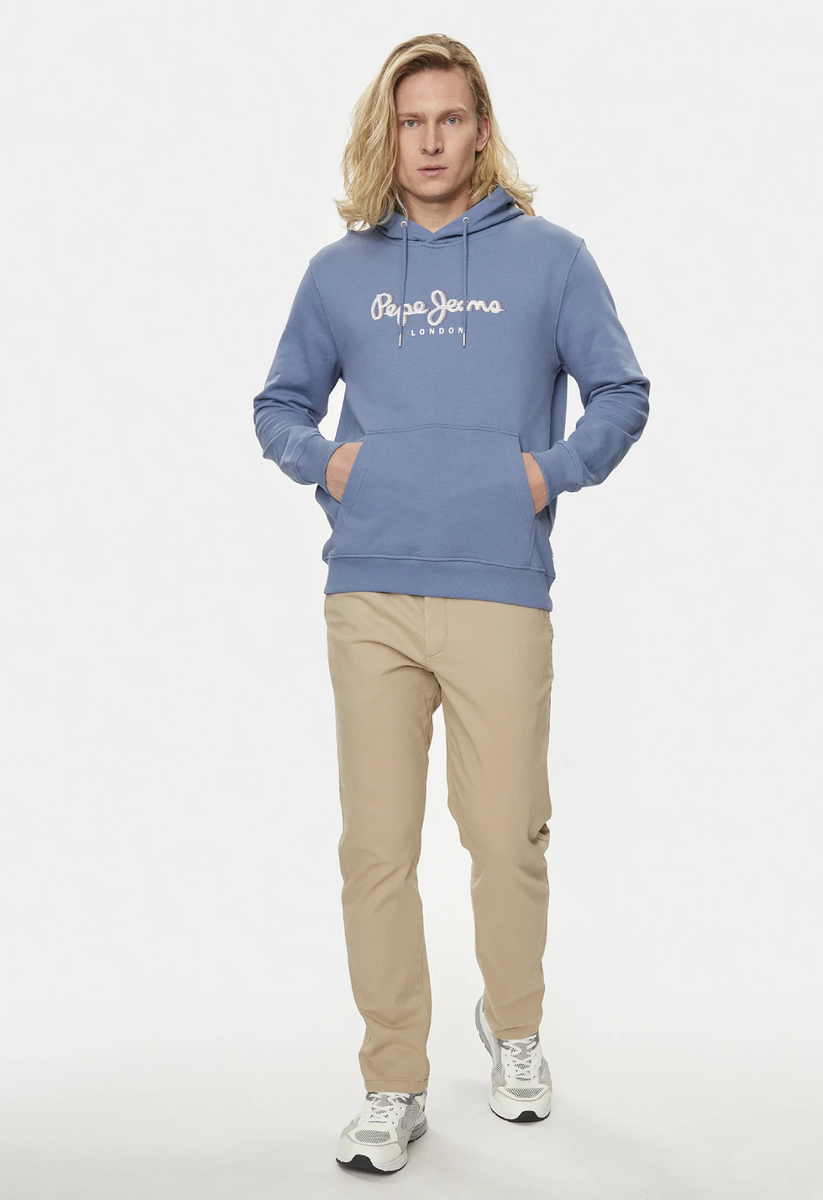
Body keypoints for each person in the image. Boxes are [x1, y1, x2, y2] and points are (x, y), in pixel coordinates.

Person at [252, 33, 651, 1175]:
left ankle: (514, 1027)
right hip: (371, 589)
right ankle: (393, 1083)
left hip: (499, 587)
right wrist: (328, 462)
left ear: (481, 131)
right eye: (410, 121)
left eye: (450, 119)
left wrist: (547, 475)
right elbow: (279, 405)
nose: (430, 141)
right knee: (375, 848)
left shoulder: (554, 260)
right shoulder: (338, 273)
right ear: (389, 135)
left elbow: (621, 392)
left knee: (505, 832)